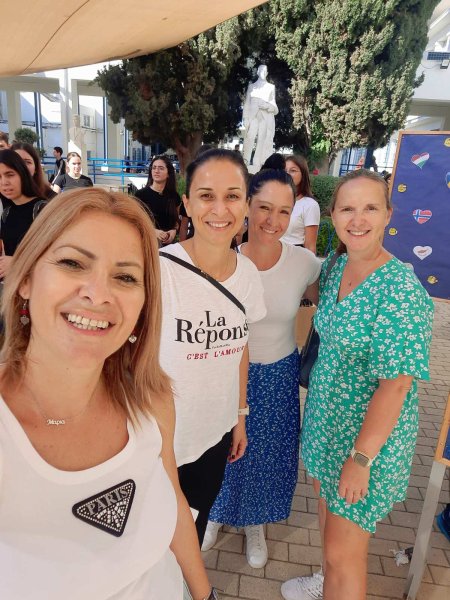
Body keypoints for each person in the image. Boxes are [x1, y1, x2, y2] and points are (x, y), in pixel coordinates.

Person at [0, 187, 218, 600]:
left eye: (125, 277)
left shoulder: (150, 398)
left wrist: (205, 595)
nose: (98, 294)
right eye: (72, 263)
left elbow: (171, 498)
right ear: (26, 278)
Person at [281, 169, 434, 600]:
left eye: (370, 208)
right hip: (327, 427)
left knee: (344, 556)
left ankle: (335, 584)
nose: (358, 219)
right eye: (347, 208)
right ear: (332, 215)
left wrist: (361, 459)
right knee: (329, 535)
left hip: (364, 442)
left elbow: (396, 387)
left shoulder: (400, 290)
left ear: (388, 214)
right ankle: (325, 583)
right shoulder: (337, 265)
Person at [204, 169, 321, 568]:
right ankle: (215, 514)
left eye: (284, 211)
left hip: (277, 374)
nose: (273, 220)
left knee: (265, 455)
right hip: (224, 374)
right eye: (264, 208)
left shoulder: (303, 263)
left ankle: (255, 524)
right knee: (220, 449)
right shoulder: (223, 260)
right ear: (247, 206)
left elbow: (336, 293)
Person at [159, 149, 266, 545]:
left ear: (246, 205)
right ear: (187, 204)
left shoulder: (248, 274)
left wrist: (239, 417)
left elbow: (240, 349)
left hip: (214, 436)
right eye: (206, 196)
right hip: (159, 442)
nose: (220, 209)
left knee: (196, 528)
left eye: (232, 196)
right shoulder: (158, 270)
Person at [0, 149, 47, 279]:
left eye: (10, 175)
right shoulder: (6, 213)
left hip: (38, 285)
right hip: (14, 285)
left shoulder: (42, 209)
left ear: (22, 174)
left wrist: (17, 263)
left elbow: (57, 256)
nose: (4, 182)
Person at [135, 155, 180, 246]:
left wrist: (173, 231)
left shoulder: (174, 196)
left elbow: (176, 221)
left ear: (168, 173)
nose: (156, 171)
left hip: (168, 245)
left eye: (161, 168)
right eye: (154, 168)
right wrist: (153, 231)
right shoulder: (140, 195)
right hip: (147, 243)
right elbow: (135, 221)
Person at [282, 155, 320, 254]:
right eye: (285, 170)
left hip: (295, 256)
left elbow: (310, 246)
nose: (287, 174)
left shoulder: (310, 205)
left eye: (293, 170)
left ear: (303, 174)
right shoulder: (277, 200)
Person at [242, 65, 278, 171]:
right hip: (252, 117)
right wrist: (245, 118)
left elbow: (275, 107)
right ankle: (245, 161)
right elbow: (247, 103)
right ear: (257, 72)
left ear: (267, 73)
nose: (263, 72)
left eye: (265, 71)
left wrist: (267, 106)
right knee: (249, 137)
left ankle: (258, 163)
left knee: (262, 139)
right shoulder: (252, 87)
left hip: (264, 118)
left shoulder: (271, 87)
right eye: (261, 70)